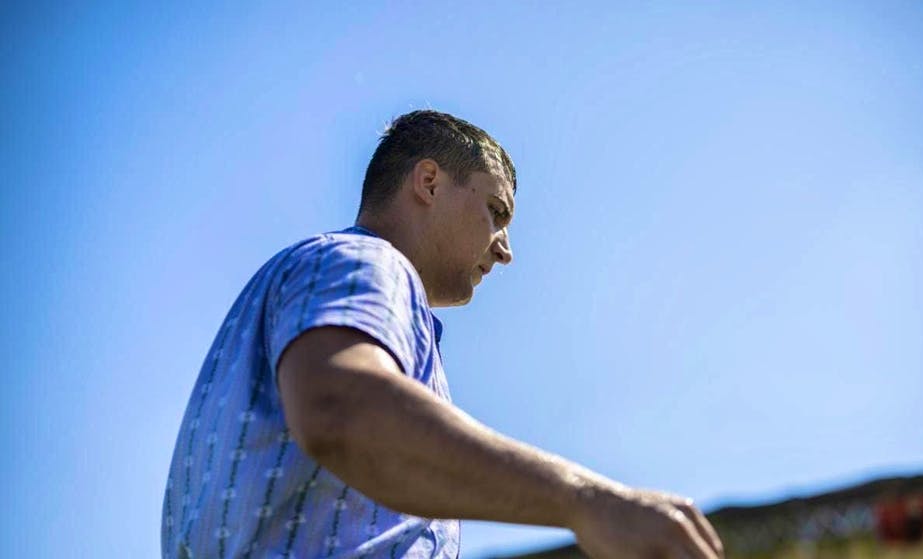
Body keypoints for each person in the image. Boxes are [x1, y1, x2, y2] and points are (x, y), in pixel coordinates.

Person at [162, 110, 724, 559]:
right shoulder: (366, 261)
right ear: (429, 182)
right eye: (496, 211)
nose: (505, 249)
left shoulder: (309, 282)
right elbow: (343, 409)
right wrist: (586, 500)